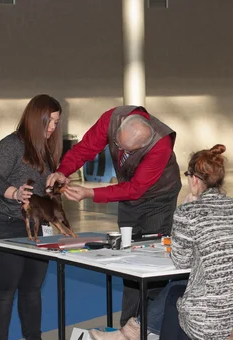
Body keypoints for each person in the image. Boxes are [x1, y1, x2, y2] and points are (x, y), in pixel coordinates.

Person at [112, 144, 233, 340]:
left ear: (193, 179)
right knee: (176, 297)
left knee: (181, 305)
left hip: (212, 320)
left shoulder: (188, 212)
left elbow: (180, 261)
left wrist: (186, 211)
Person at [47, 106, 182, 327]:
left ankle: (153, 327)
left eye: (128, 149)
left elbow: (135, 189)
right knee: (128, 258)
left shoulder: (161, 145)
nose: (120, 151)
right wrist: (63, 171)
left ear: (143, 145)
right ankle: (128, 327)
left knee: (154, 261)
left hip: (159, 197)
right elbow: (85, 149)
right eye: (118, 144)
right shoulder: (112, 118)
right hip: (128, 193)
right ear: (120, 128)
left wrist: (91, 193)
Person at [0, 94, 61, 340]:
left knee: (32, 289)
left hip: (36, 229)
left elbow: (40, 188)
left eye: (56, 122)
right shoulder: (12, 144)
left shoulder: (45, 149)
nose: (53, 127)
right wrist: (14, 193)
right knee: (4, 291)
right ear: (35, 117)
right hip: (5, 225)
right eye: (49, 121)